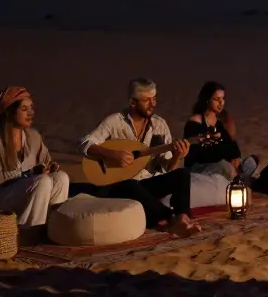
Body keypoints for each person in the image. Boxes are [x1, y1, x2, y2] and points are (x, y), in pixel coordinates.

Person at [78, 78, 200, 236]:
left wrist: (177, 156)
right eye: (147, 100)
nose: (153, 104)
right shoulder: (115, 121)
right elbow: (84, 143)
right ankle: (171, 220)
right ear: (133, 102)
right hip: (120, 185)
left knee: (182, 174)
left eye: (154, 99)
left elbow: (167, 167)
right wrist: (112, 154)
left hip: (147, 185)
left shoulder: (160, 125)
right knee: (131, 184)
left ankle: (182, 218)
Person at [0, 86, 70, 230]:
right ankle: (31, 231)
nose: (30, 113)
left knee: (61, 178)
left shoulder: (33, 137)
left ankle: (53, 228)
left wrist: (51, 168)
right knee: (42, 182)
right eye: (24, 109)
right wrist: (25, 174)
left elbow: (46, 163)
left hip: (26, 195)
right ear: (10, 111)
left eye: (31, 108)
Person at [183, 81, 245, 179]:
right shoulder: (195, 122)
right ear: (207, 100)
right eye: (217, 99)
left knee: (250, 161)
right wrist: (225, 156)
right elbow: (199, 155)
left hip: (221, 165)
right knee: (225, 167)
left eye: (223, 99)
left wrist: (236, 158)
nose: (221, 103)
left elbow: (232, 146)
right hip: (198, 168)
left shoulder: (219, 123)